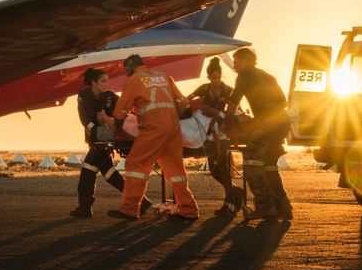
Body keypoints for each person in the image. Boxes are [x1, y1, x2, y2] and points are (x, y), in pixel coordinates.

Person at [107, 55, 199, 222]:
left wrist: (117, 131)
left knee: (136, 164)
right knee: (175, 171)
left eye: (125, 70)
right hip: (172, 128)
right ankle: (189, 210)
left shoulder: (134, 80)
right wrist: (170, 119)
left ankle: (129, 209)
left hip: (154, 128)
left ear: (129, 67)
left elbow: (120, 113)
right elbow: (183, 104)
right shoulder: (164, 77)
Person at [70, 68, 151, 218]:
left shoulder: (111, 97)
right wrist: (94, 131)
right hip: (96, 140)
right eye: (103, 81)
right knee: (109, 173)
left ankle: (84, 207)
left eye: (107, 80)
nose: (106, 84)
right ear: (93, 82)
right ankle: (141, 201)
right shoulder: (83, 96)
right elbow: (85, 119)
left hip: (105, 141)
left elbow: (127, 110)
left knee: (88, 170)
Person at [224, 47, 293, 221]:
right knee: (269, 165)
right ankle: (283, 207)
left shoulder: (245, 74)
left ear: (246, 61)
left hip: (268, 123)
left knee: (252, 160)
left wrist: (225, 120)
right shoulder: (267, 76)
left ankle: (265, 207)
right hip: (281, 122)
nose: (234, 65)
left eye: (236, 61)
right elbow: (283, 100)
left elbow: (234, 99)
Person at [187, 57, 246, 217]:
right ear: (208, 78)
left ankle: (230, 201)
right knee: (214, 171)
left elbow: (236, 109)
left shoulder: (229, 90)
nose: (217, 80)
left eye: (219, 77)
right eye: (214, 78)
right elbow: (187, 100)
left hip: (224, 133)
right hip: (208, 133)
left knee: (223, 168)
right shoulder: (203, 89)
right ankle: (235, 192)